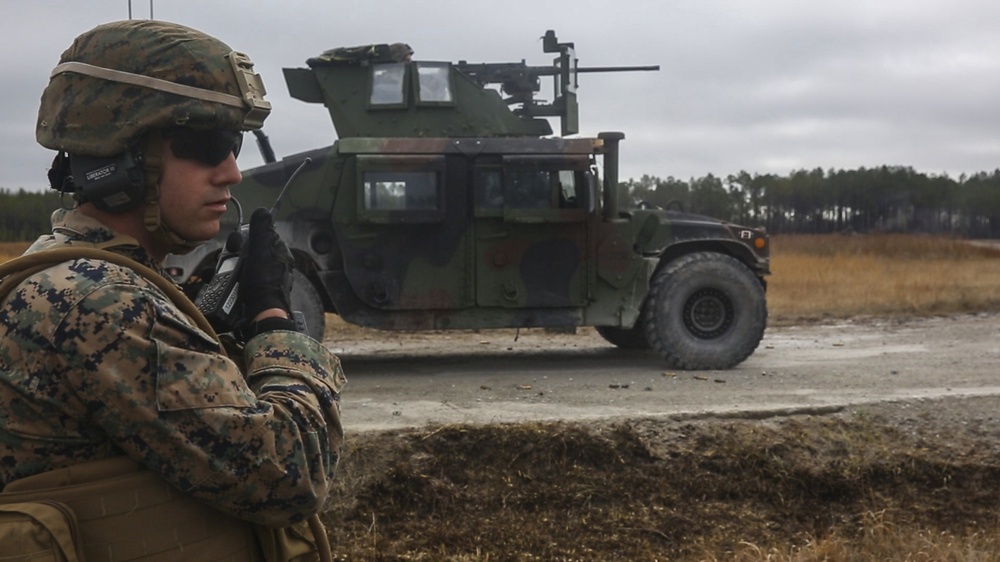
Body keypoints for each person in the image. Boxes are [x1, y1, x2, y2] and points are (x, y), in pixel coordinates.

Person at [0, 20, 345, 561]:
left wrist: (210, 319)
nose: (231, 172)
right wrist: (276, 323)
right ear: (125, 155)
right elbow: (291, 473)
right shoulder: (100, 303)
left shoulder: (65, 271)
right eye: (206, 146)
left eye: (234, 145)